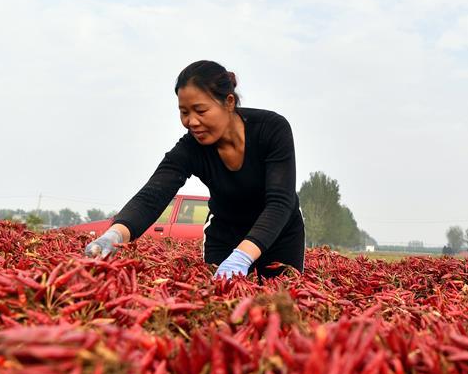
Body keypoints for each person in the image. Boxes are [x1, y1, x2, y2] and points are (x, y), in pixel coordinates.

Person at [84, 60, 306, 280]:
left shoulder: (271, 129)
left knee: (281, 301)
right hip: (225, 236)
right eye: (184, 112)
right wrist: (114, 235)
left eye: (200, 110)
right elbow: (151, 197)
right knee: (222, 305)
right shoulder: (191, 148)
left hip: (279, 237)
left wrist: (243, 255)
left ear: (228, 102)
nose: (191, 121)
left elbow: (279, 202)